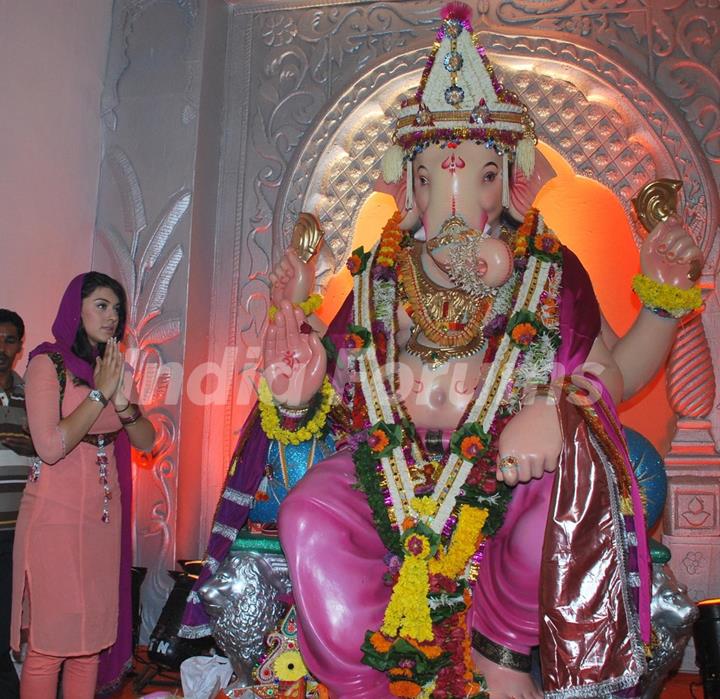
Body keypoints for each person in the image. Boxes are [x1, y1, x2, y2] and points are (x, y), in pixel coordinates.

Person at [181, 4, 703, 697]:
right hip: (385, 469)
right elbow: (330, 402)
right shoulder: (378, 276)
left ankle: (504, 656)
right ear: (413, 181)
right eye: (432, 177)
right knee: (308, 512)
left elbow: (612, 372)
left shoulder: (545, 268)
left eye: (482, 177)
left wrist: (653, 318)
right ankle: (363, 681)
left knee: (554, 503)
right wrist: (300, 397)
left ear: (506, 178)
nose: (455, 203)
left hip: (506, 469)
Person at [11, 272, 155, 699]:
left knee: (88, 647)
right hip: (54, 521)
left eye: (117, 309)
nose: (112, 316)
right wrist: (99, 395)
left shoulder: (112, 368)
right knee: (49, 648)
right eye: (101, 305)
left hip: (100, 525)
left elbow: (148, 441)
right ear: (77, 309)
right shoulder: (46, 364)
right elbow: (51, 446)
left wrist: (122, 400)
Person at [0, 309, 33, 699]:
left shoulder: (33, 391)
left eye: (9, 340)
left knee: (11, 622)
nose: (2, 348)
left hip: (21, 530)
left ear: (20, 346)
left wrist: (30, 441)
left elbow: (45, 445)